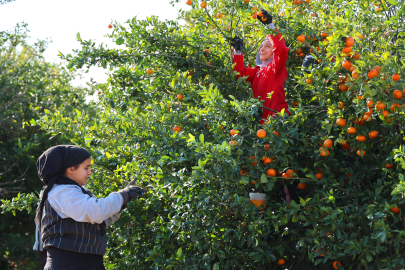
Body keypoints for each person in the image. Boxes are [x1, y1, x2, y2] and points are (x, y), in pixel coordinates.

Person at [35, 145, 145, 270]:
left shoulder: (76, 191)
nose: (90, 172)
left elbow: (99, 221)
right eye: (86, 168)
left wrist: (122, 202)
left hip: (87, 263)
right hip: (68, 263)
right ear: (71, 169)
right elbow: (95, 212)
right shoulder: (62, 191)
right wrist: (122, 195)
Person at [232, 9, 290, 124]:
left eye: (268, 46)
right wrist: (237, 52)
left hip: (278, 121)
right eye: (261, 47)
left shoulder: (276, 68)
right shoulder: (257, 71)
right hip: (263, 125)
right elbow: (239, 75)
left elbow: (281, 49)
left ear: (273, 50)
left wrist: (270, 26)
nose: (262, 49)